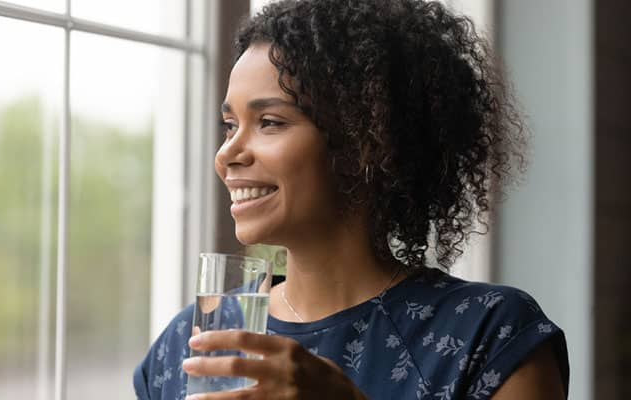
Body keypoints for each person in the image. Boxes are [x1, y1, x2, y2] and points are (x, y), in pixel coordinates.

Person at [134, 0, 569, 399]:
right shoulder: (186, 343)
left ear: (367, 142)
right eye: (229, 125)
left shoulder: (493, 336)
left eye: (269, 122)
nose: (227, 153)